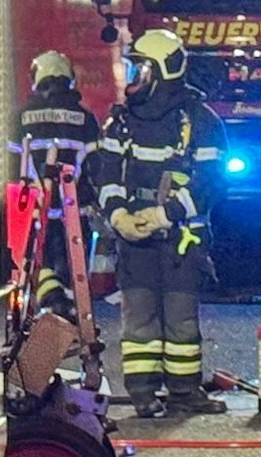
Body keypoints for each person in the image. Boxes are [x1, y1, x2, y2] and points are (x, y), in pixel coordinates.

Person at [87, 28, 228, 419]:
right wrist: (119, 216)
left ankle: (184, 391)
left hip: (181, 239)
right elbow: (105, 174)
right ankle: (143, 393)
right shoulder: (121, 121)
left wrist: (165, 214)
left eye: (140, 69)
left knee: (181, 318)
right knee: (140, 317)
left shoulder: (200, 121)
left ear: (162, 70)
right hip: (135, 239)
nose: (133, 78)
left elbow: (212, 182)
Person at [9, 51, 99, 298]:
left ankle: (51, 308)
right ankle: (67, 315)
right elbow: (95, 166)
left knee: (40, 266)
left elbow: (12, 165)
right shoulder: (86, 118)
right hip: (74, 214)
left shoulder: (19, 118)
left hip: (36, 211)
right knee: (74, 275)